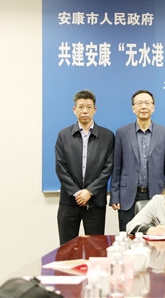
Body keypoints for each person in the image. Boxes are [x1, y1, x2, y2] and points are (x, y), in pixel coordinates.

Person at [55, 90, 114, 245]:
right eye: (81, 107)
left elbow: (108, 168)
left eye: (89, 107)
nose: (85, 111)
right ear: (74, 110)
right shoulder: (64, 135)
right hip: (69, 202)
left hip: (95, 202)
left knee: (96, 249)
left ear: (95, 110)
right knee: (67, 249)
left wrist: (89, 191)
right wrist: (77, 193)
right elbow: (60, 168)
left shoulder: (107, 136)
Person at [110, 90, 165, 231]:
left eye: (147, 103)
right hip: (127, 195)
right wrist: (115, 195)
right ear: (133, 108)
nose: (143, 107)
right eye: (139, 103)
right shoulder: (122, 133)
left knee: (156, 236)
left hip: (157, 194)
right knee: (128, 234)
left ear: (153, 107)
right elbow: (116, 167)